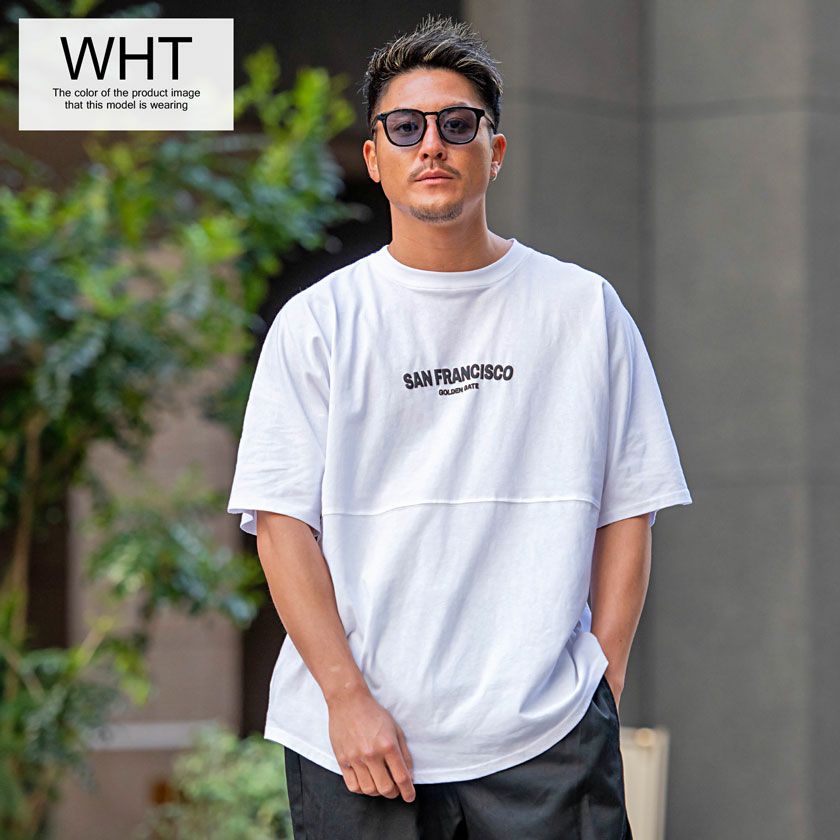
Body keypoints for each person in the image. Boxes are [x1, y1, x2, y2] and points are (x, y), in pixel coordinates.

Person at [227, 13, 692, 840]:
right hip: (358, 743)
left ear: (495, 150)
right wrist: (345, 697)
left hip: (546, 736)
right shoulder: (320, 323)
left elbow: (631, 508)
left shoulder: (583, 310)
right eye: (405, 128)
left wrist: (600, 683)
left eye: (457, 124)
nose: (432, 145)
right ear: (375, 157)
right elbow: (281, 523)